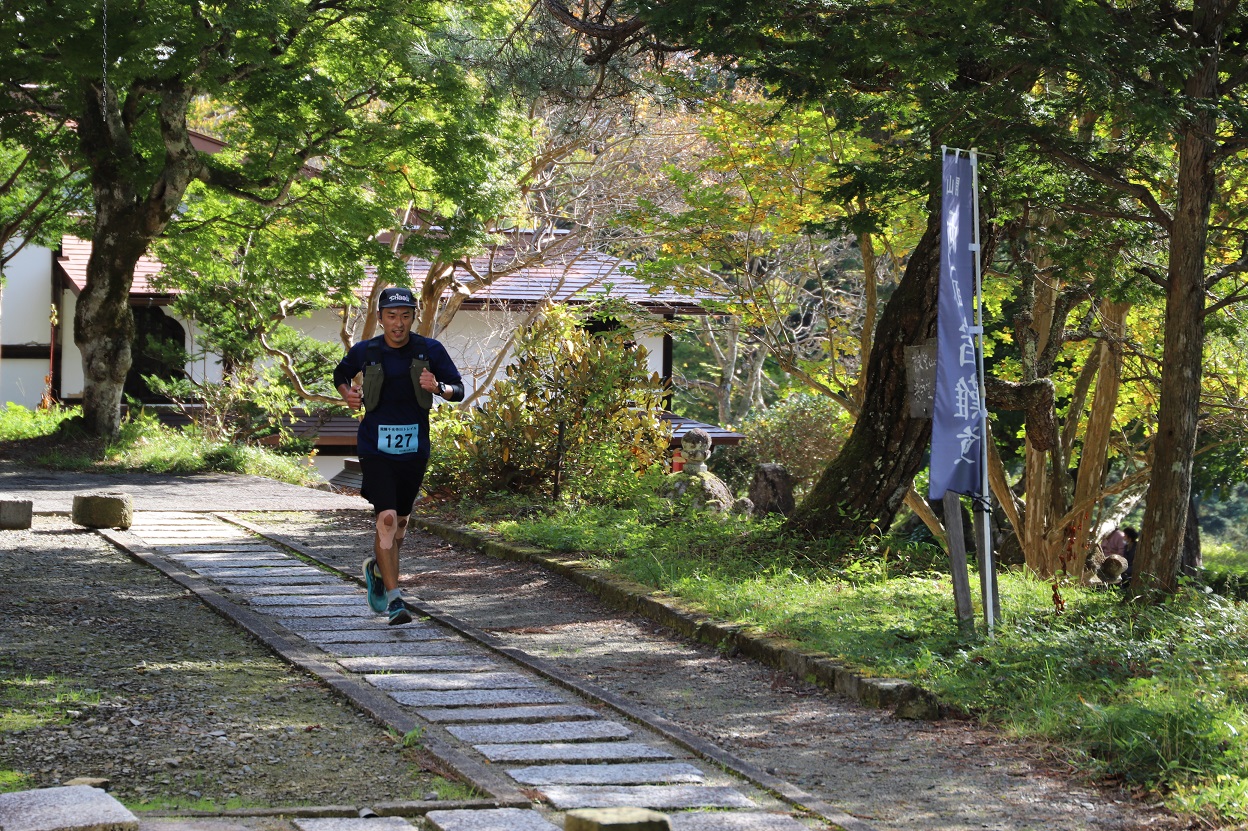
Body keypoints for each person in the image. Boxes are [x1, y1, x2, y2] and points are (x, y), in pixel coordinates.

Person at [334, 286, 463, 625]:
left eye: (405, 316)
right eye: (391, 316)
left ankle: (378, 570)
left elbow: (457, 389)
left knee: (400, 525)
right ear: (380, 318)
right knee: (387, 519)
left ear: (413, 318)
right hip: (375, 448)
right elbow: (340, 374)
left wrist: (439, 388)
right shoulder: (367, 350)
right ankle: (395, 601)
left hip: (414, 449)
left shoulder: (429, 349)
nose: (398, 323)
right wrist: (348, 394)